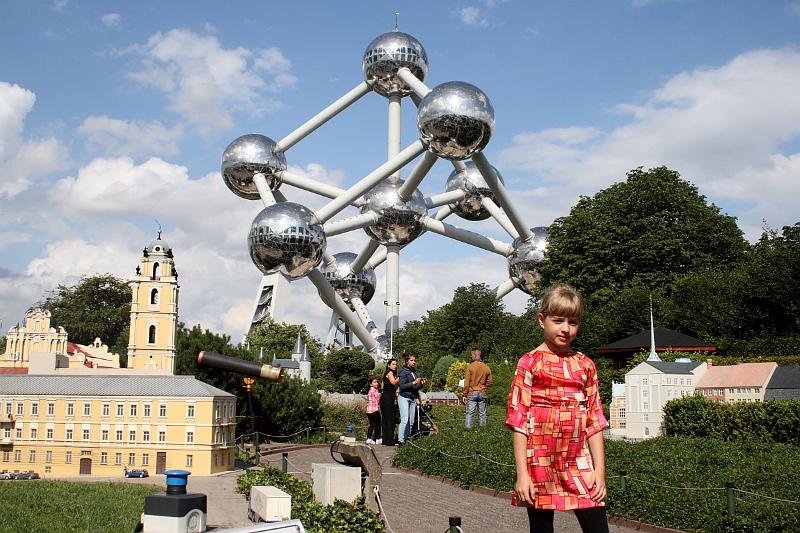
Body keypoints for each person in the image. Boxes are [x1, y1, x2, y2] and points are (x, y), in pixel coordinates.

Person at [506, 284, 609, 533]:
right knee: (541, 529)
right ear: (542, 320)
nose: (565, 329)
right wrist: (523, 474)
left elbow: (594, 419)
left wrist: (600, 470)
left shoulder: (585, 365)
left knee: (597, 526)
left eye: (573, 322)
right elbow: (518, 420)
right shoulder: (529, 362)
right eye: (558, 320)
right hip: (539, 463)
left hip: (578, 462)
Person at [398, 353, 426, 445]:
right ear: (407, 361)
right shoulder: (403, 371)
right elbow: (402, 386)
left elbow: (417, 388)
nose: (414, 362)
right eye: (411, 360)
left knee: (411, 421)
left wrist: (421, 384)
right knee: (405, 419)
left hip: (412, 397)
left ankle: (407, 438)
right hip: (404, 397)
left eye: (414, 360)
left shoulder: (416, 372)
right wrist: (414, 382)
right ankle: (401, 440)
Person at [464, 348, 493, 428]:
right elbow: (490, 382)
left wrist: (465, 393)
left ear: (475, 355)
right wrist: (483, 386)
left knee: (470, 413)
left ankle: (468, 431)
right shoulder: (486, 367)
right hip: (482, 392)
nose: (471, 357)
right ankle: (482, 430)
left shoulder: (470, 367)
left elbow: (466, 383)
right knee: (482, 413)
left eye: (472, 355)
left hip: (472, 392)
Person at [380, 359, 400, 446]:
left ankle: (385, 439)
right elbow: (393, 382)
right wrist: (401, 377)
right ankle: (390, 440)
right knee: (390, 419)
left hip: (385, 396)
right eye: (393, 364)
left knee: (385, 419)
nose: (395, 366)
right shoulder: (390, 373)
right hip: (388, 397)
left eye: (396, 364)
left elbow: (382, 386)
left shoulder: (385, 374)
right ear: (388, 365)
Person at [365, 378, 382, 444]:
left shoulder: (369, 391)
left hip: (369, 410)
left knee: (372, 424)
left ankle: (369, 438)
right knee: (378, 424)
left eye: (377, 382)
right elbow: (378, 399)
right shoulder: (374, 390)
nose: (377, 383)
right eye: (375, 382)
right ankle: (377, 438)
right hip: (374, 409)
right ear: (371, 384)